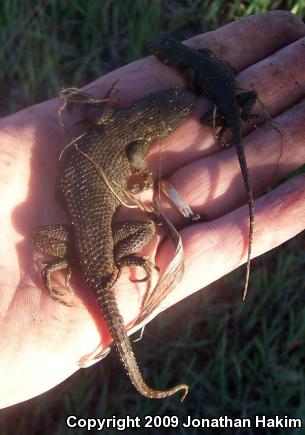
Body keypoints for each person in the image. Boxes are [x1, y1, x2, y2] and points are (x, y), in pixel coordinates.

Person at [1, 10, 305, 408]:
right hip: (76, 238)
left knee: (111, 236)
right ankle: (99, 263)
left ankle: (80, 262)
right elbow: (132, 155)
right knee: (136, 232)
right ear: (156, 130)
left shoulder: (118, 118)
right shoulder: (137, 145)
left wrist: (83, 104)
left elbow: (104, 121)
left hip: (78, 232)